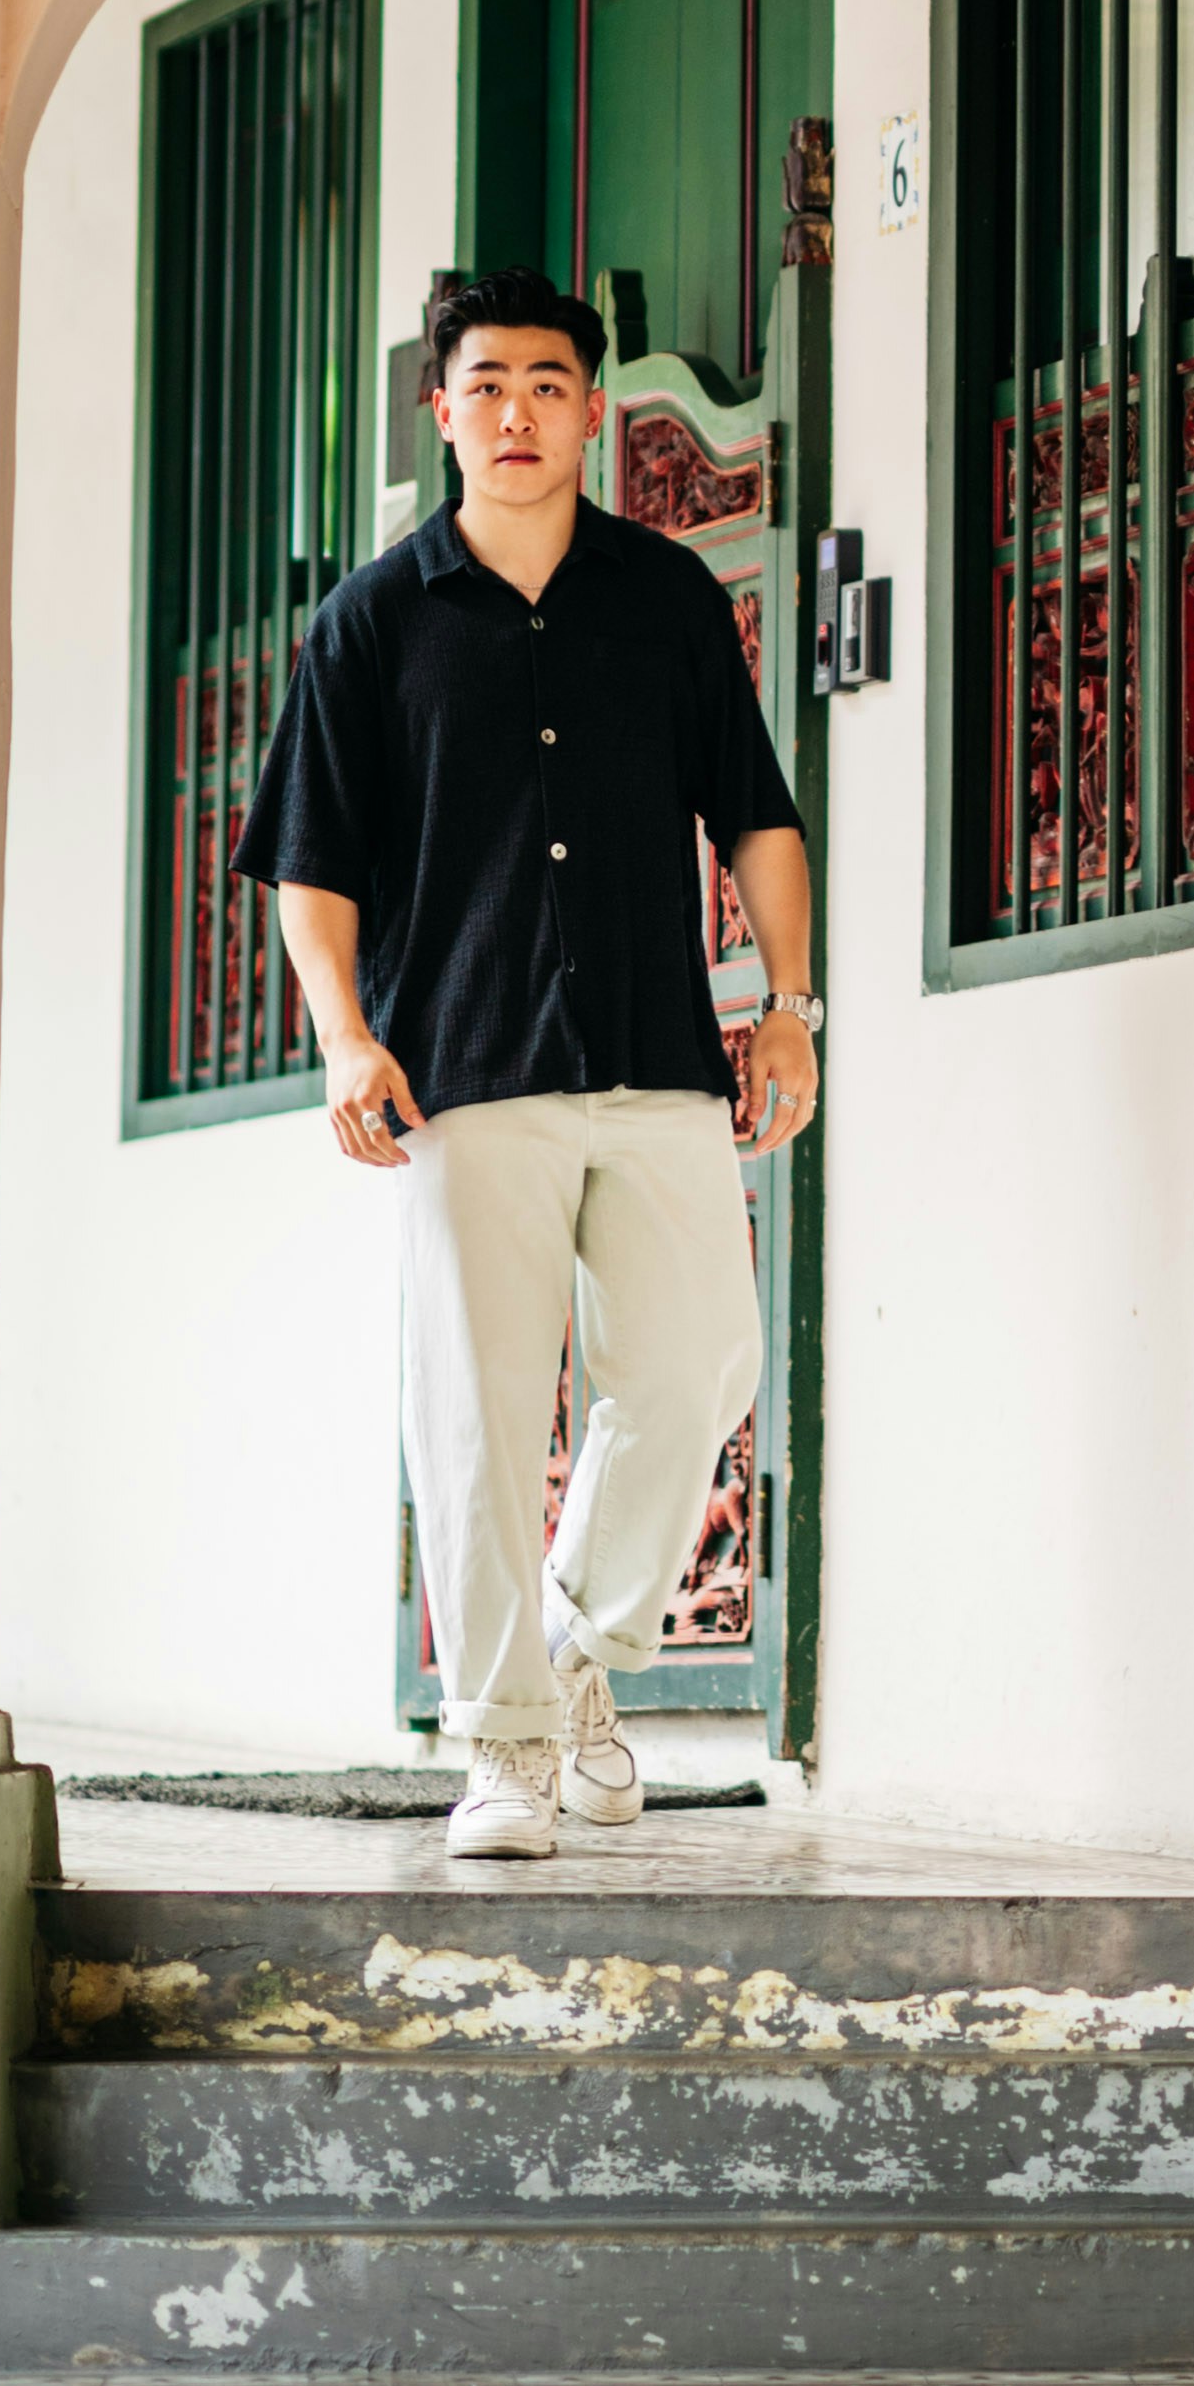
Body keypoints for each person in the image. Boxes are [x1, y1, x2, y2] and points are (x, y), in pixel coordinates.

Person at [233, 264, 818, 1859]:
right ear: (442, 408)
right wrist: (345, 1038)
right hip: (462, 1065)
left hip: (655, 1048)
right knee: (479, 1414)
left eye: (548, 385)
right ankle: (501, 1744)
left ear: (592, 411)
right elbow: (309, 863)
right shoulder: (372, 622)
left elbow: (756, 813)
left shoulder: (669, 600)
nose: (515, 413)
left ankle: (575, 1655)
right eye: (485, 384)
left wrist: (787, 1004)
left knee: (704, 1361)